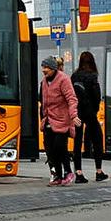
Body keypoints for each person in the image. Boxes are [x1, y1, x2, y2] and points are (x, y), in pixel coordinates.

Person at [40, 56, 78, 186]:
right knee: (50, 149)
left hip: (62, 120)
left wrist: (73, 115)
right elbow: (44, 101)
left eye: (47, 68)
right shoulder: (44, 82)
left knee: (59, 146)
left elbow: (71, 99)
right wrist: (43, 118)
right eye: (43, 68)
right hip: (48, 120)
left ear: (54, 69)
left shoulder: (63, 80)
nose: (44, 70)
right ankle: (57, 175)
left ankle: (68, 172)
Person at [70, 50, 106, 183]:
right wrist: (94, 110)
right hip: (90, 113)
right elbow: (97, 96)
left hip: (77, 113)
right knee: (97, 139)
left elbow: (70, 95)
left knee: (77, 142)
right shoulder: (92, 76)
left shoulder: (74, 76)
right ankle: (98, 171)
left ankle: (78, 172)